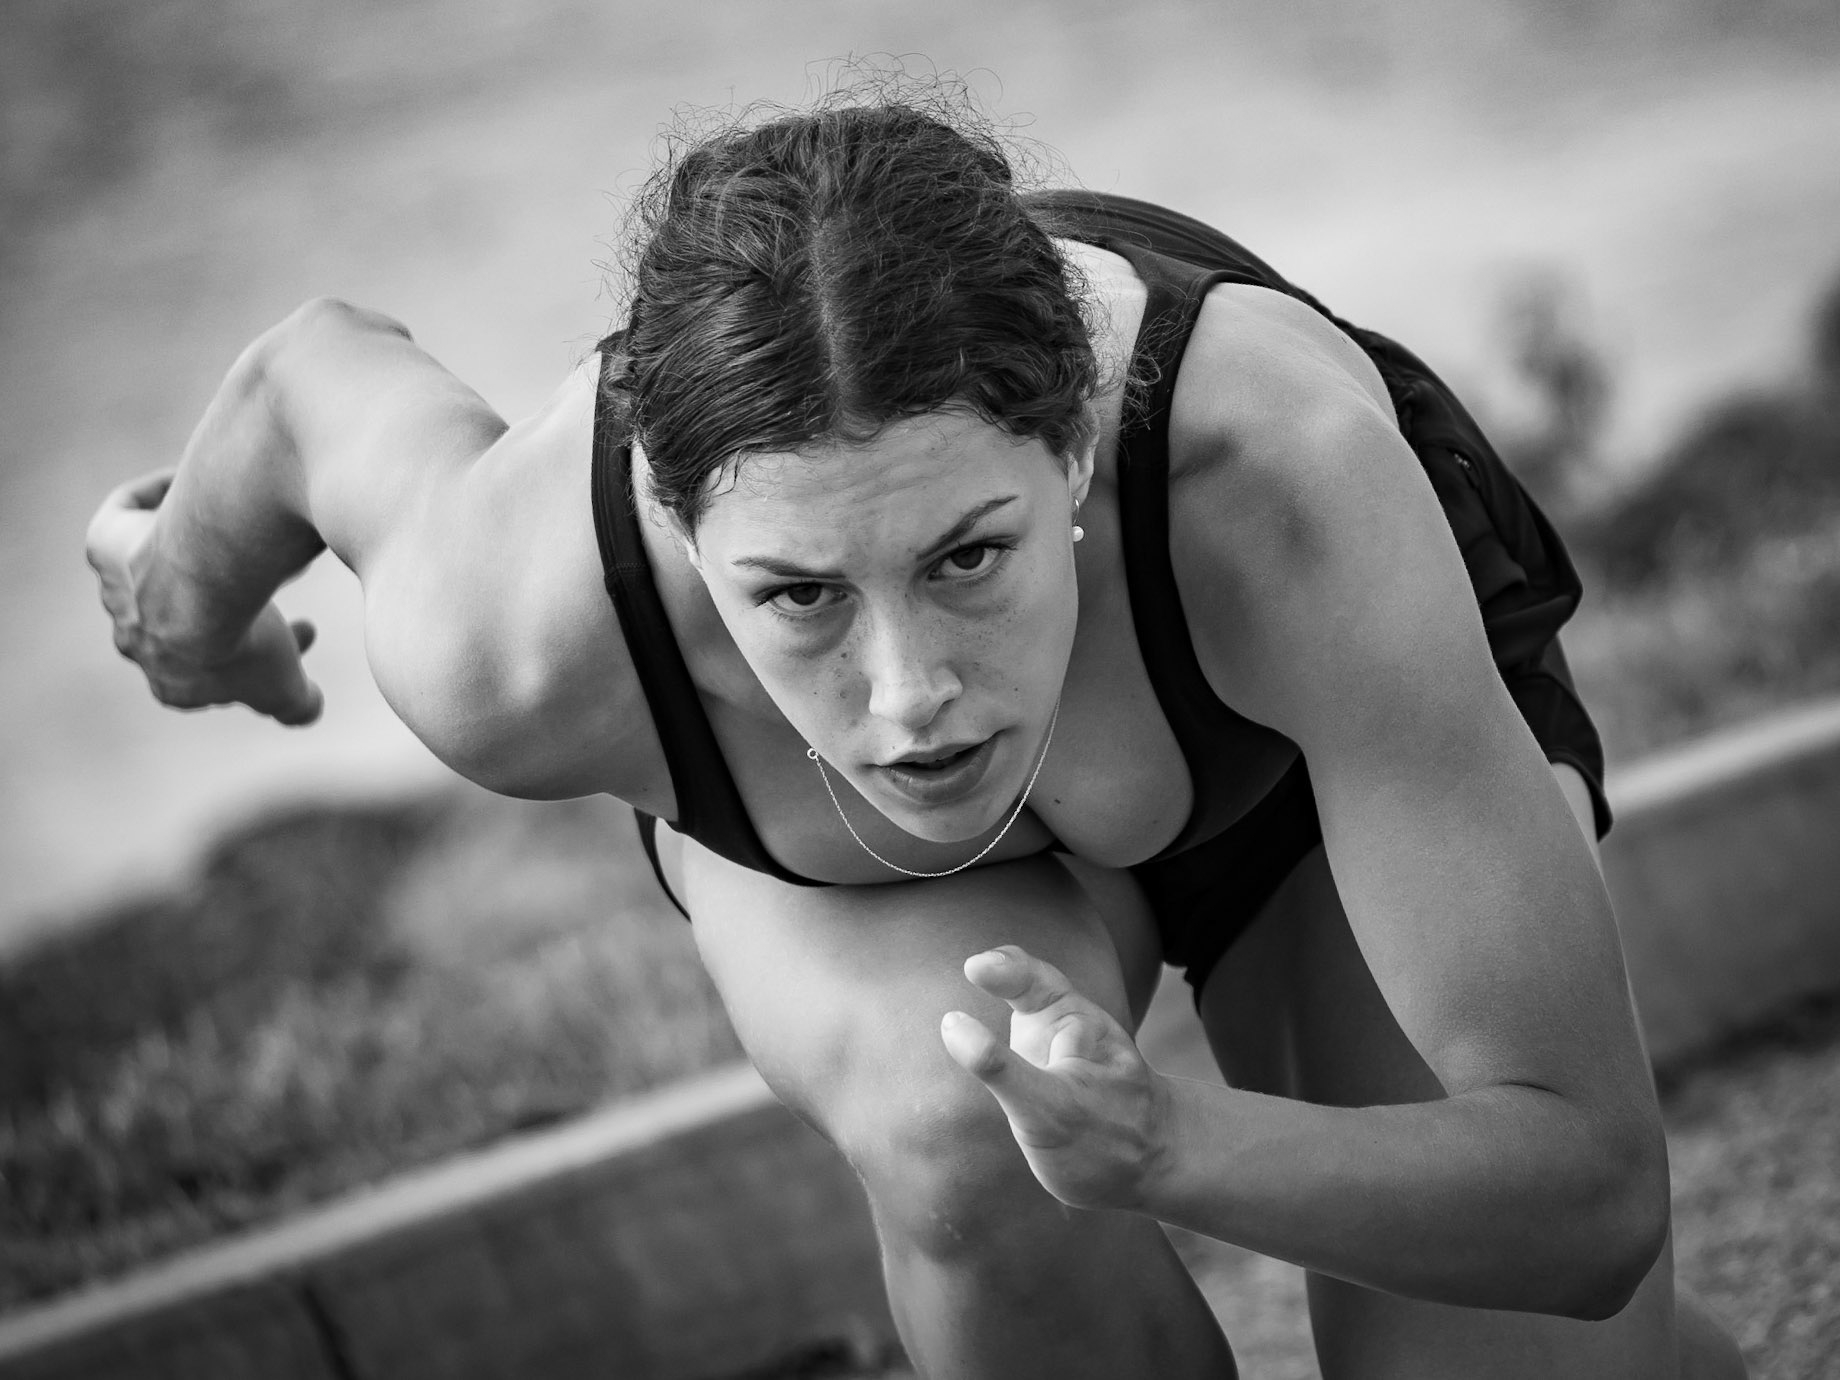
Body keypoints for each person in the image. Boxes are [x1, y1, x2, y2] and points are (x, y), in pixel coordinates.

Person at [87, 93, 1746, 1379]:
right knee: (964, 1125)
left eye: (969, 559)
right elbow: (310, 384)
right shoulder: (512, 632)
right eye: (799, 594)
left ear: (1079, 453)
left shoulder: (1282, 494)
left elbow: (1582, 1197)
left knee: (1542, 1323)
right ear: (674, 527)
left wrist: (1168, 1142)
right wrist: (182, 606)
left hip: (1286, 776)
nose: (907, 698)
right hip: (869, 891)